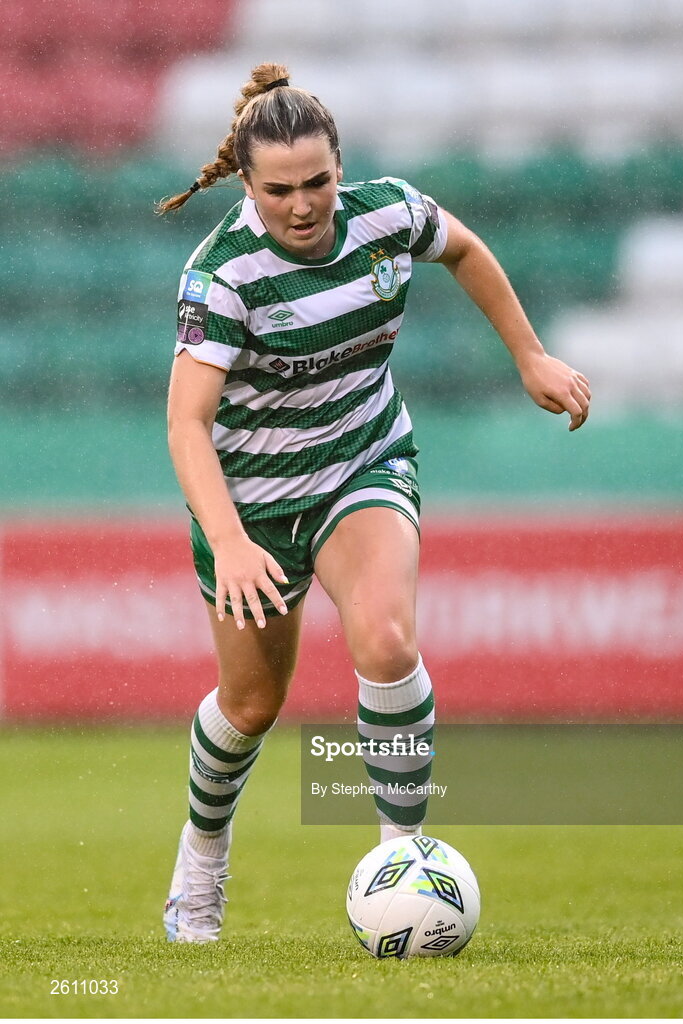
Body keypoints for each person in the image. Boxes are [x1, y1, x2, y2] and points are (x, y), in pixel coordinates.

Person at [159, 62, 590, 943]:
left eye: (317, 181)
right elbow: (186, 425)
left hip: (363, 461)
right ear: (246, 184)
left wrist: (530, 356)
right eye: (278, 189)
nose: (302, 204)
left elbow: (462, 248)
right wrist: (232, 540)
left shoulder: (388, 211)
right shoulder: (224, 275)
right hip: (252, 503)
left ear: (340, 168)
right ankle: (201, 861)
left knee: (387, 640)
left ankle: (404, 858)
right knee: (249, 706)